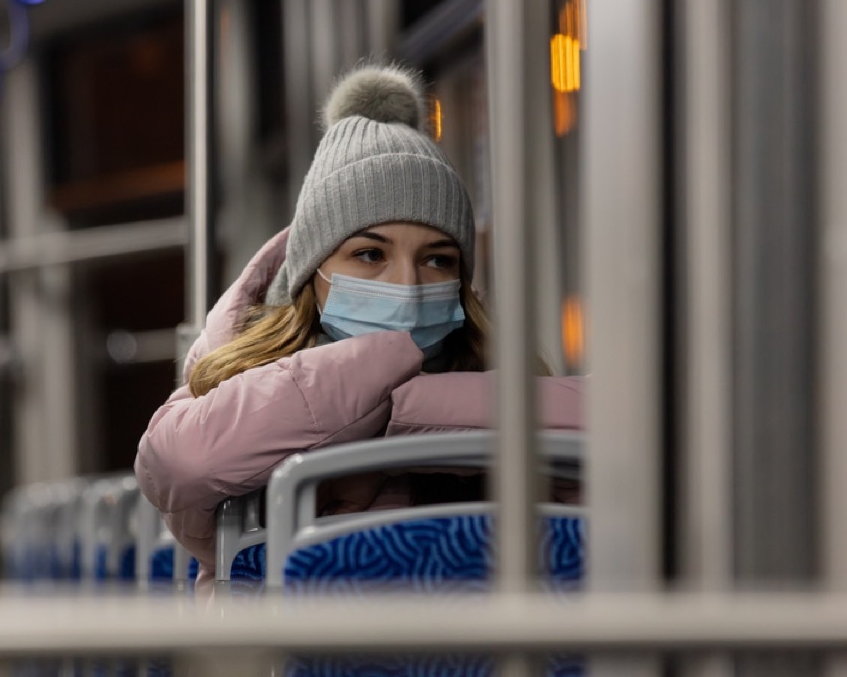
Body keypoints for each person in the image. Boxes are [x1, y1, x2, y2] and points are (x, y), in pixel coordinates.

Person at [134, 63, 584, 596]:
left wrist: (411, 408)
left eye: (438, 261)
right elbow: (183, 461)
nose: (408, 284)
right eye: (370, 254)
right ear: (312, 273)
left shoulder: (493, 366)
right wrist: (386, 375)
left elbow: (614, 434)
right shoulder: (236, 376)